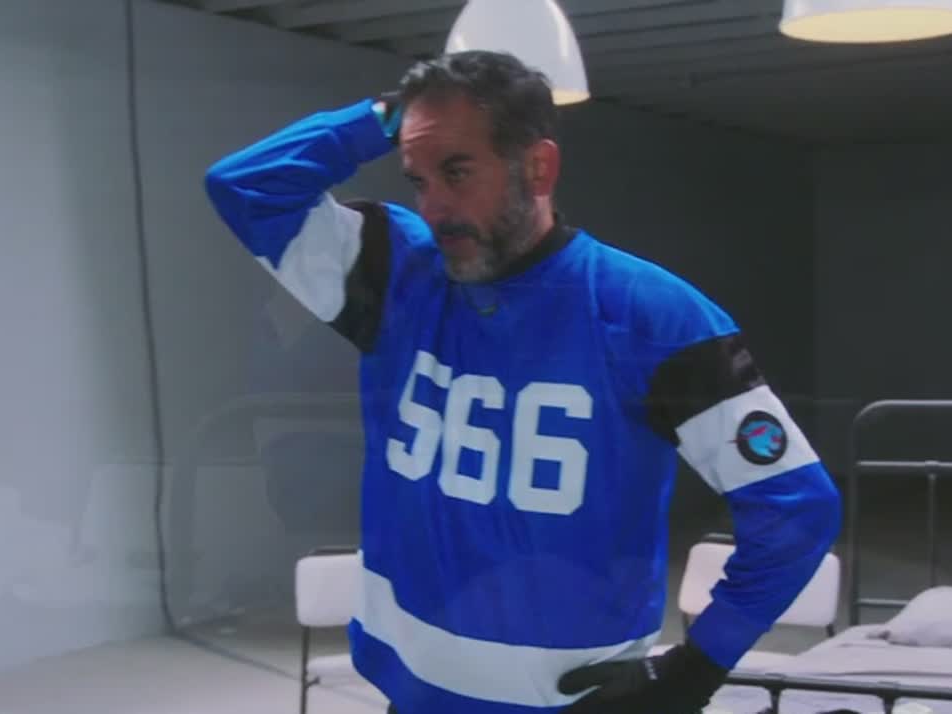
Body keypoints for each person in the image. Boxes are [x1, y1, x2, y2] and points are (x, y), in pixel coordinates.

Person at [205, 50, 841, 714]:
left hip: (573, 704)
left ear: (537, 168)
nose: (434, 205)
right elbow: (245, 186)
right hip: (410, 697)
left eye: (457, 171)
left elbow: (796, 508)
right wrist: (385, 119)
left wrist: (696, 668)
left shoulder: (651, 314)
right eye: (418, 178)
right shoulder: (396, 271)